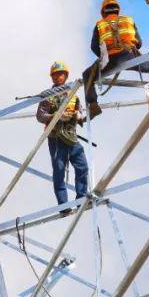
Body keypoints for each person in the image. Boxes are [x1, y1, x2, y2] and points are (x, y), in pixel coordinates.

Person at [81, 0, 149, 119]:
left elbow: (94, 47)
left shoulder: (100, 24)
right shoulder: (128, 20)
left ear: (103, 11)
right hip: (129, 54)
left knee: (87, 75)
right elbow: (139, 42)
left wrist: (103, 59)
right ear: (117, 9)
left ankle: (93, 105)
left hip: (110, 59)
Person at [36, 61, 88, 205]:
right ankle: (63, 204)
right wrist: (57, 116)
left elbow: (80, 112)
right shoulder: (49, 96)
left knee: (82, 166)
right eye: (55, 74)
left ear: (65, 76)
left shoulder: (73, 95)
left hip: (71, 137)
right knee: (59, 170)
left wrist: (79, 116)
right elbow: (40, 116)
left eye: (61, 74)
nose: (58, 77)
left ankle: (81, 198)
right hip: (56, 138)